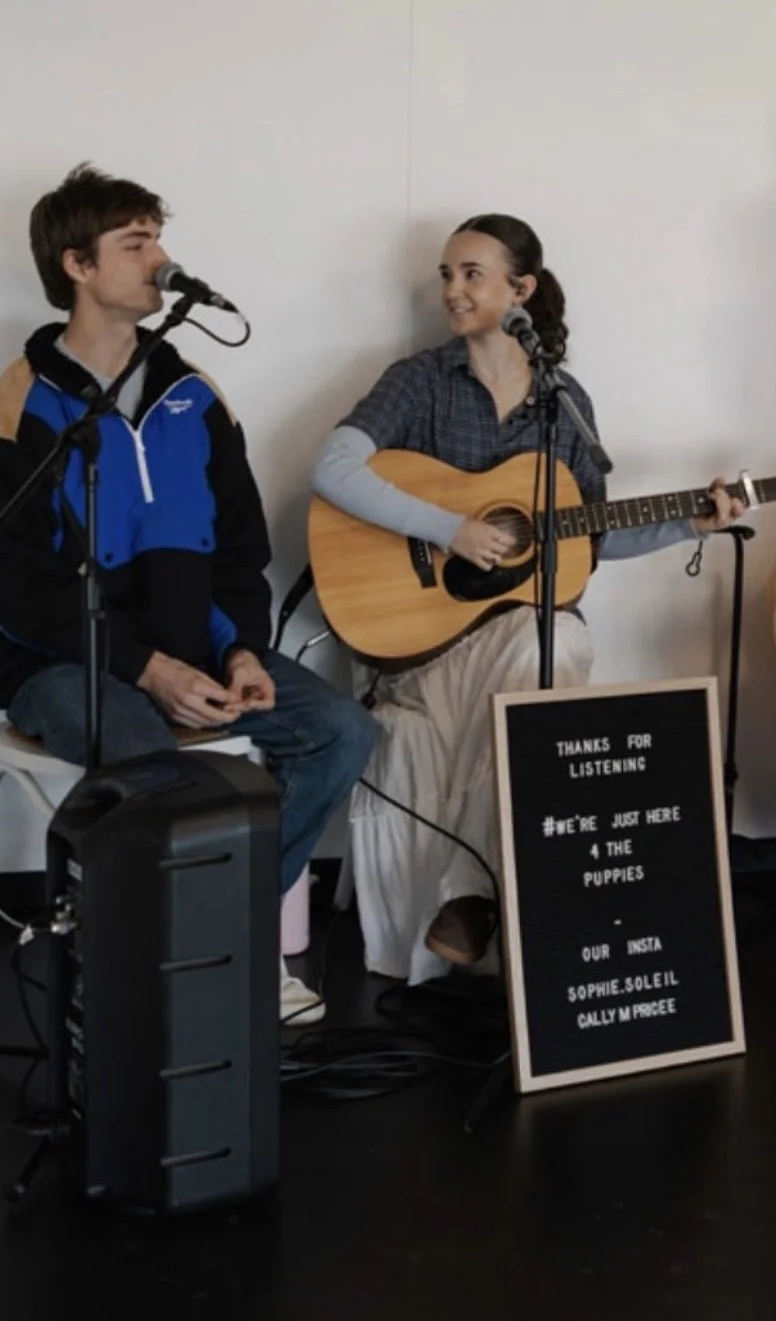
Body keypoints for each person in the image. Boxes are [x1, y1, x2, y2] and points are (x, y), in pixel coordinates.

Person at [0, 163, 376, 1019]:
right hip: (49, 655)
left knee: (338, 729)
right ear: (77, 266)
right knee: (148, 748)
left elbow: (240, 549)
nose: (161, 259)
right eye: (136, 242)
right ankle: (161, 966)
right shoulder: (17, 406)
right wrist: (144, 665)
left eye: (159, 238)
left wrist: (243, 651)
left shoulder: (196, 395)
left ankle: (220, 936)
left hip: (190, 643)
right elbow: (16, 588)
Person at [311, 213, 746, 985]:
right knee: (549, 645)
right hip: (421, 644)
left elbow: (590, 536)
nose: (452, 289)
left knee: (552, 639)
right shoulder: (419, 381)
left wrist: (689, 523)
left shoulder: (564, 404)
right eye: (446, 273)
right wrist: (450, 529)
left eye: (471, 273)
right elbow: (333, 468)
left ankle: (468, 895)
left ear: (523, 289)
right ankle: (473, 900)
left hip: (511, 639)